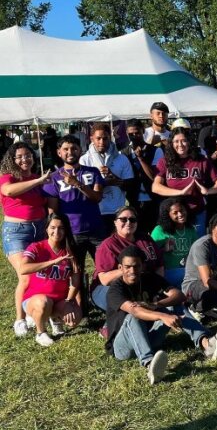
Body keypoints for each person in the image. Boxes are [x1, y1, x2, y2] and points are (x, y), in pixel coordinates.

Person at [105, 246, 217, 385]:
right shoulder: (115, 290)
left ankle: (206, 343)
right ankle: (149, 364)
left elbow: (179, 295)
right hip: (123, 348)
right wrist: (162, 316)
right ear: (120, 267)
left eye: (136, 266)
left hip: (149, 338)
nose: (132, 271)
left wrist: (157, 304)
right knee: (133, 317)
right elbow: (135, 311)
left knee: (172, 305)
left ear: (142, 266)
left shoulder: (149, 278)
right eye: (127, 267)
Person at [1, 143, 50, 337]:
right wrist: (39, 181)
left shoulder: (36, 178)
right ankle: (20, 319)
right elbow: (9, 191)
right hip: (17, 231)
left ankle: (31, 310)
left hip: (39, 229)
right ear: (12, 160)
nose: (25, 159)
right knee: (26, 274)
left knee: (39, 274)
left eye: (28, 155)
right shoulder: (8, 177)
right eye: (19, 156)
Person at [19, 213, 82, 347]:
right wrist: (53, 262)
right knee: (43, 302)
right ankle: (40, 333)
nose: (56, 231)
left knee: (74, 319)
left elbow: (75, 281)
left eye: (61, 228)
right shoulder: (36, 247)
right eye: (52, 227)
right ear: (46, 228)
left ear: (66, 230)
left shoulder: (70, 250)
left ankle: (54, 318)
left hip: (58, 299)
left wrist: (69, 301)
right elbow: (23, 268)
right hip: (35, 299)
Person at [42, 135, 105, 267]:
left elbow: (97, 198)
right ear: (59, 152)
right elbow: (53, 212)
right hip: (72, 233)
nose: (70, 152)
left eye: (74, 148)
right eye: (66, 149)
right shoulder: (53, 178)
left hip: (97, 229)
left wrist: (77, 183)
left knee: (104, 267)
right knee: (76, 271)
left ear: (80, 150)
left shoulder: (93, 172)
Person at [153, 128, 217, 236]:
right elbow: (156, 187)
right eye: (176, 141)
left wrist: (208, 191)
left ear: (190, 142)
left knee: (197, 245)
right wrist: (180, 192)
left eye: (184, 140)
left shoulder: (202, 160)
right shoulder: (165, 161)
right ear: (171, 144)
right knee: (176, 246)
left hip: (196, 212)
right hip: (174, 214)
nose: (180, 144)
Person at [91, 206, 163, 311]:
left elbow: (159, 265)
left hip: (143, 286)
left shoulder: (146, 239)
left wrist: (157, 286)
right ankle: (113, 322)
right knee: (130, 304)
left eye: (132, 220)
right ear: (115, 222)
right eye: (123, 219)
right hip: (111, 288)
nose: (128, 222)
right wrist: (131, 269)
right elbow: (104, 280)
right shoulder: (108, 245)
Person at [80, 123, 134, 234]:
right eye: (98, 138)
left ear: (110, 137)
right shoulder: (85, 160)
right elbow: (82, 189)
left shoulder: (121, 158)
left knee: (118, 248)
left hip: (117, 211)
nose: (102, 142)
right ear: (91, 139)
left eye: (105, 138)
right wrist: (102, 182)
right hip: (95, 211)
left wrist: (115, 179)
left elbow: (130, 185)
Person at [121, 118, 163, 232]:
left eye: (137, 133)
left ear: (143, 131)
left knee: (155, 233)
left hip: (153, 200)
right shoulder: (123, 153)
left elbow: (154, 177)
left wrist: (140, 158)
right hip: (133, 201)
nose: (134, 136)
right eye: (131, 134)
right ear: (126, 133)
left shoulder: (156, 151)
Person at [151, 198, 198, 288]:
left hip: (187, 269)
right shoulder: (160, 230)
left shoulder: (190, 229)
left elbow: (196, 250)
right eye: (175, 213)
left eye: (182, 210)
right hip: (167, 272)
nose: (180, 214)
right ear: (167, 215)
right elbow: (151, 255)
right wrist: (163, 249)